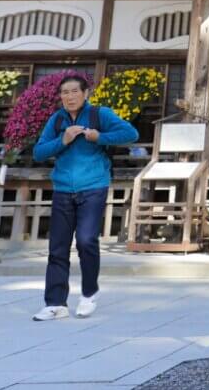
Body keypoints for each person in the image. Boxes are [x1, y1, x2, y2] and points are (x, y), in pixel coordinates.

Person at [31, 74, 139, 321]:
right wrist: (64, 139)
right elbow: (39, 152)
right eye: (64, 93)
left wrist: (99, 137)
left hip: (93, 186)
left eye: (74, 91)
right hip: (62, 189)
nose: (69, 97)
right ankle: (55, 303)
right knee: (57, 247)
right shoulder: (56, 120)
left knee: (87, 240)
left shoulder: (99, 114)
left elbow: (129, 133)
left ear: (85, 93)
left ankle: (89, 293)